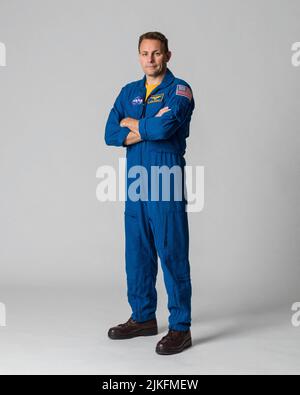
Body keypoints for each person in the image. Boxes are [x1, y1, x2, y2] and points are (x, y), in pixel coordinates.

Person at [104, 31, 195, 355]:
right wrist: (144, 127)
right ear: (139, 56)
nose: (150, 59)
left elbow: (165, 128)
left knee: (171, 253)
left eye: (156, 53)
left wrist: (134, 125)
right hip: (136, 183)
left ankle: (180, 327)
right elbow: (110, 133)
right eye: (145, 53)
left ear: (167, 55)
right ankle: (143, 318)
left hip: (165, 181)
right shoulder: (128, 91)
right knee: (137, 254)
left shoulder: (179, 90)